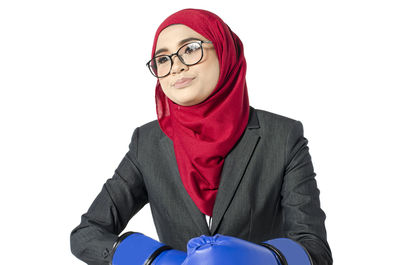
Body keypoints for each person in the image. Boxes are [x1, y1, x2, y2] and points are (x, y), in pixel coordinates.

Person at [70, 8, 333, 265]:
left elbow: (315, 250)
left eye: (190, 49)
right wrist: (155, 259)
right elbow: (86, 235)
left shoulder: (283, 136)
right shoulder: (147, 143)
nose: (175, 67)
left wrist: (262, 259)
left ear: (224, 52)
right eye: (162, 59)